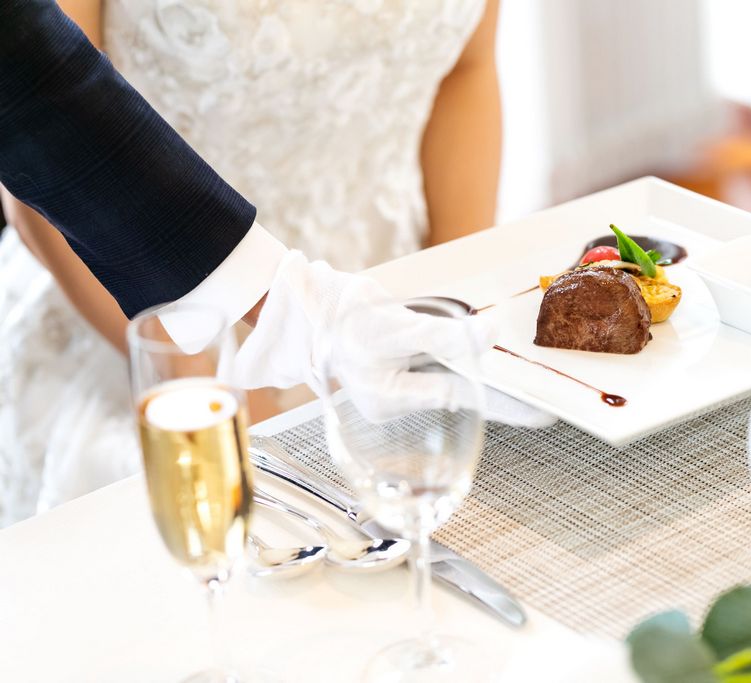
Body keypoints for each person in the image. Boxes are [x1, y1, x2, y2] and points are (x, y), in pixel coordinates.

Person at [0, 0, 541, 526]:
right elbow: (37, 104)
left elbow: (466, 69)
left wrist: (443, 315)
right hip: (145, 309)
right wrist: (223, 382)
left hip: (382, 301)